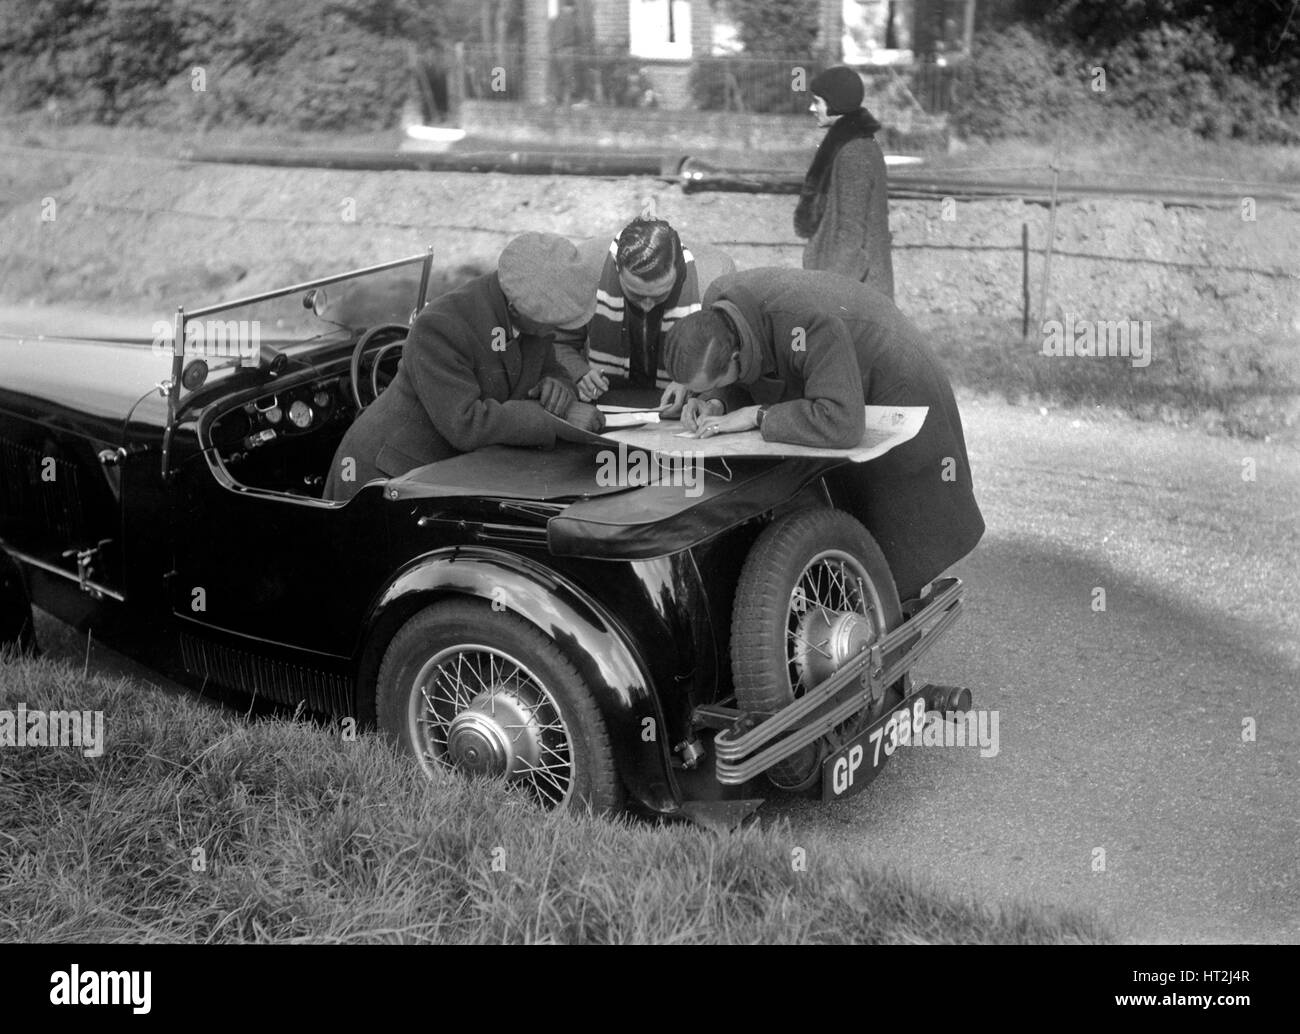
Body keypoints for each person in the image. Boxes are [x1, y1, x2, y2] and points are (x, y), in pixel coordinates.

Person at [663, 267, 982, 599]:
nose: (705, 392)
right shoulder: (719, 307)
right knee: (829, 494)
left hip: (890, 371)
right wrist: (713, 400)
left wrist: (758, 415)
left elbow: (842, 421)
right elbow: (753, 366)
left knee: (889, 531)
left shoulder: (805, 323)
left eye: (712, 383)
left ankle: (892, 617)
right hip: (834, 363)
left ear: (734, 358)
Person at [323, 232, 601, 502]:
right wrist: (556, 419)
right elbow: (467, 423)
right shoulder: (442, 325)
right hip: (386, 475)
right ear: (517, 308)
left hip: (451, 471)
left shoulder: (530, 317)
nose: (555, 329)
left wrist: (559, 387)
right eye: (552, 321)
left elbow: (550, 367)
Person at [551, 216, 735, 414]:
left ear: (679, 274)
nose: (647, 306)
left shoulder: (713, 278)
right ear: (617, 269)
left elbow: (731, 364)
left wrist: (693, 381)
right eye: (636, 295)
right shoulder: (588, 267)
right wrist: (579, 372)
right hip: (604, 403)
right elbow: (558, 342)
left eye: (660, 295)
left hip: (680, 410)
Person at [795, 65, 895, 299]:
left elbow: (851, 238)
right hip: (852, 290)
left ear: (835, 104)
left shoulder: (854, 154)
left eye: (817, 101)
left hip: (854, 296)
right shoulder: (851, 147)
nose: (812, 108)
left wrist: (825, 296)